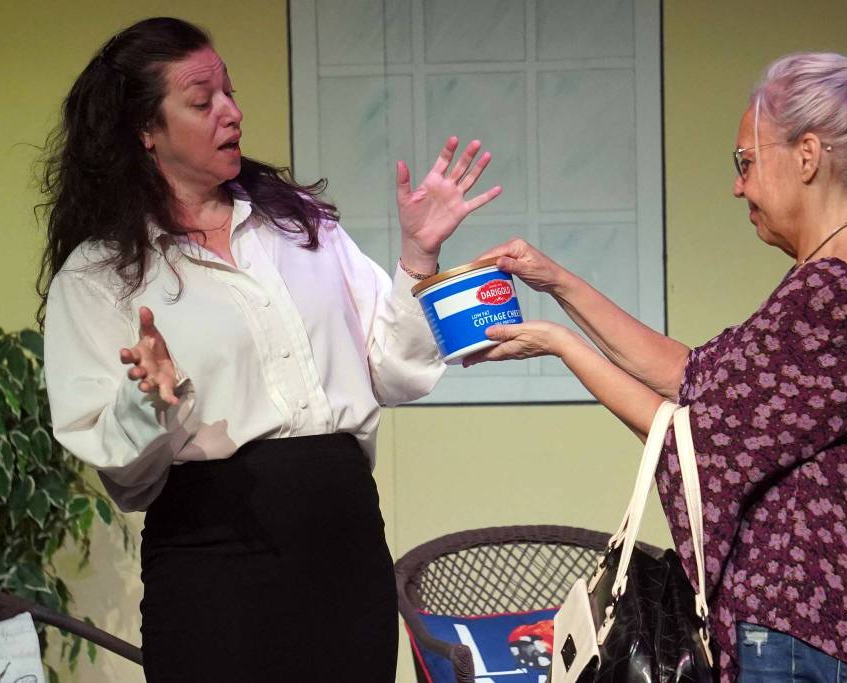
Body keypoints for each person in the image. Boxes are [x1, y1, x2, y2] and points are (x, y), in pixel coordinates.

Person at [38, 17, 501, 682]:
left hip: (343, 545)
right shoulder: (100, 276)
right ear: (145, 131)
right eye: (202, 101)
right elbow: (128, 480)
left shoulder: (301, 227)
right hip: (212, 561)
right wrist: (150, 401)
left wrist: (419, 259)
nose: (232, 111)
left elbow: (393, 372)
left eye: (229, 92)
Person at [467, 52, 847, 682]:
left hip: (801, 637)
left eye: (745, 163)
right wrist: (557, 283)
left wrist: (562, 345)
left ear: (807, 155)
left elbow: (694, 442)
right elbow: (700, 376)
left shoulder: (838, 289)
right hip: (823, 634)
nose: (738, 186)